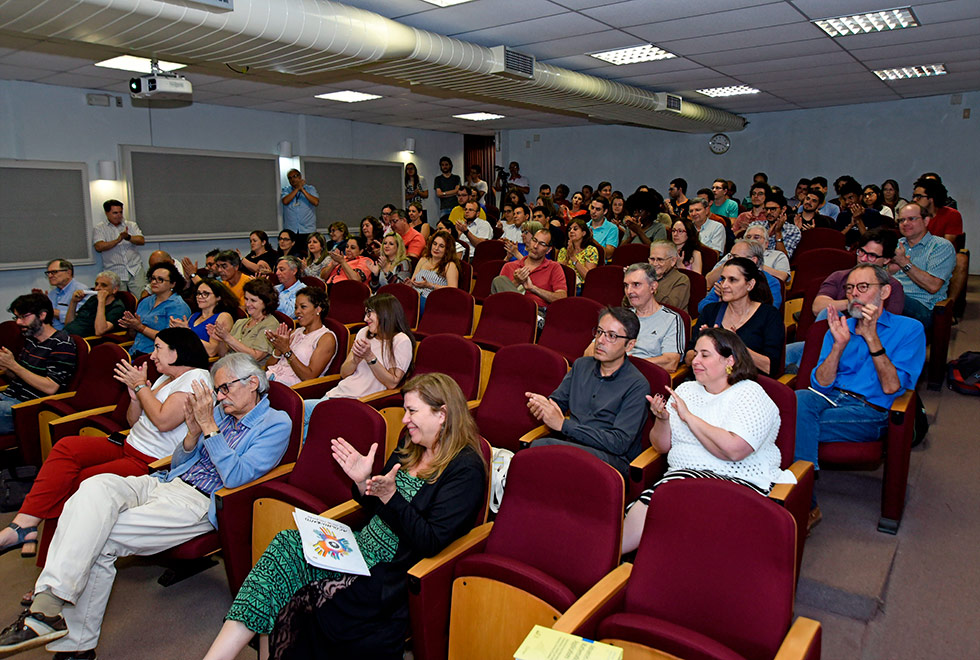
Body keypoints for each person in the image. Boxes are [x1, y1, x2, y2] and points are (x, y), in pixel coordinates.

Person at [0, 354, 289, 658]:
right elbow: (180, 462)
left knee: (100, 536)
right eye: (218, 390)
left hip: (199, 502)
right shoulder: (221, 412)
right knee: (93, 489)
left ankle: (60, 628)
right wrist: (192, 436)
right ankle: (51, 615)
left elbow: (237, 477)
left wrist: (208, 429)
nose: (220, 396)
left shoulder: (275, 423)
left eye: (225, 389)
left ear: (253, 382)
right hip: (165, 482)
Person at [202, 372, 485, 660]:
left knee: (295, 593)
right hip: (358, 546)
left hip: (392, 572)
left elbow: (430, 541)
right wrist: (364, 484)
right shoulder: (410, 445)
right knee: (284, 548)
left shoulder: (466, 469)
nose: (404, 420)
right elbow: (379, 504)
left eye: (412, 411)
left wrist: (390, 497)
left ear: (443, 415)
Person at [0, 327, 208, 559]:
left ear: (176, 352)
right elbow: (133, 420)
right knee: (66, 447)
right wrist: (134, 397)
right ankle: (25, 523)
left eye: (158, 348)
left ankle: (50, 568)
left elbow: (163, 421)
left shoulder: (196, 378)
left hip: (151, 462)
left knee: (75, 486)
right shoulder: (166, 377)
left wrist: (141, 388)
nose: (152, 355)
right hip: (128, 445)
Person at [621, 328, 783, 554]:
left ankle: (610, 559)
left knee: (666, 496)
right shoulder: (686, 390)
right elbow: (661, 446)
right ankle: (611, 558)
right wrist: (662, 420)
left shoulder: (749, 393)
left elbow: (734, 451)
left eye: (705, 355)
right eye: (695, 353)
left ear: (730, 361)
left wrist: (688, 417)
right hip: (683, 477)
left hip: (739, 479)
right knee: (662, 500)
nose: (695, 360)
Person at [794, 265, 926, 526]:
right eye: (850, 288)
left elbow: (892, 387)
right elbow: (819, 384)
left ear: (885, 291)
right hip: (829, 398)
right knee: (798, 399)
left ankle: (800, 503)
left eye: (863, 288)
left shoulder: (910, 329)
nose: (854, 295)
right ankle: (802, 500)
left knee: (789, 423)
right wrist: (838, 347)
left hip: (869, 410)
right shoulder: (839, 328)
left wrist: (872, 337)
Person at [526, 307, 650, 477]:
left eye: (611, 336)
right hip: (572, 444)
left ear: (630, 345)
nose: (600, 340)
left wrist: (564, 425)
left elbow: (619, 442)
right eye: (599, 332)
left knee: (541, 449)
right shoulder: (581, 365)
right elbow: (557, 403)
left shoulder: (637, 385)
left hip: (611, 460)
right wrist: (543, 407)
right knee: (536, 453)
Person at [784, 229, 906, 370]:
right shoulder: (839, 276)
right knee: (785, 352)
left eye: (872, 256)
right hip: (829, 339)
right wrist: (854, 304)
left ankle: (804, 372)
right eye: (861, 252)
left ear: (886, 260)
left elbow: (889, 328)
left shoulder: (891, 287)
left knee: (826, 322)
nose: (863, 259)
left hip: (866, 344)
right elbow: (817, 307)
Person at [302, 294, 415, 428]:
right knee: (298, 414)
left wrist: (370, 357)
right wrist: (355, 359)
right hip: (339, 394)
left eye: (369, 313)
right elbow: (344, 373)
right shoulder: (364, 333)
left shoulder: (401, 341)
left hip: (360, 401)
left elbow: (392, 383)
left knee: (302, 417)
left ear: (384, 313)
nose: (365, 319)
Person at [0, 294, 77, 436]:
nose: (18, 322)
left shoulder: (62, 343)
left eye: (23, 317)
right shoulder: (31, 339)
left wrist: (14, 365)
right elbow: (19, 377)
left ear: (42, 315)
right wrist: (7, 367)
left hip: (28, 408)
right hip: (9, 397)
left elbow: (50, 387)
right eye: (16, 317)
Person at [690, 258, 782, 376]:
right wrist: (703, 345)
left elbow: (770, 367)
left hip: (748, 385)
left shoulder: (769, 315)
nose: (724, 285)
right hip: (709, 382)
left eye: (732, 280)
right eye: (723, 279)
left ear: (750, 284)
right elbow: (688, 358)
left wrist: (735, 345)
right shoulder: (710, 311)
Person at [586, 264, 683, 372]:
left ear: (653, 287)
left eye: (636, 284)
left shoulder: (671, 319)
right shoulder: (620, 316)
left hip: (644, 376)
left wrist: (626, 363)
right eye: (626, 285)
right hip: (609, 372)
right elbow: (589, 352)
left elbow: (671, 362)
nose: (629, 291)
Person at [889, 203, 955, 328]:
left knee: (886, 295)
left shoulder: (941, 246)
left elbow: (933, 286)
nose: (905, 223)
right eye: (901, 220)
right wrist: (889, 271)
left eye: (911, 219)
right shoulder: (896, 244)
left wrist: (904, 263)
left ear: (926, 221)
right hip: (892, 298)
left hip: (923, 307)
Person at [265, 287, 337, 387]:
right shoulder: (296, 332)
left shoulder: (326, 338)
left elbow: (309, 376)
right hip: (271, 379)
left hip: (294, 388)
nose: (297, 312)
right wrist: (278, 348)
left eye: (303, 307)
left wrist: (286, 350)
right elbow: (268, 366)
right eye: (296, 307)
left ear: (318, 309)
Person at [118, 262, 191, 357]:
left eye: (160, 280)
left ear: (173, 284)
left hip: (157, 357)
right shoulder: (145, 301)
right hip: (134, 352)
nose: (154, 282)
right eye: (153, 278)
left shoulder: (178, 306)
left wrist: (140, 327)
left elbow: (170, 339)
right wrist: (132, 327)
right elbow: (134, 336)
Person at [490, 228, 567, 312]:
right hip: (509, 310)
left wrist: (533, 288)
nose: (535, 246)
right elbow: (498, 296)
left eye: (542, 244)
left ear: (548, 250)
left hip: (537, 312)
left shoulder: (554, 267)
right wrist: (517, 281)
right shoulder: (510, 266)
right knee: (499, 281)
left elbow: (561, 298)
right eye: (534, 240)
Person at [700, 239, 782, 314]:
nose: (729, 261)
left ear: (753, 260)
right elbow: (701, 307)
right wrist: (720, 301)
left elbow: (769, 312)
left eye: (735, 257)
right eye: (730, 256)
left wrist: (732, 302)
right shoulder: (725, 279)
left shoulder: (771, 282)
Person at [212, 278, 279, 362]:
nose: (247, 304)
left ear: (266, 302)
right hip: (230, 367)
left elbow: (255, 357)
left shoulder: (271, 324)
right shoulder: (240, 323)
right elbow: (224, 355)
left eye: (253, 300)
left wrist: (228, 338)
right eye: (246, 299)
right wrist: (221, 340)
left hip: (252, 371)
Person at [171, 278, 236, 357]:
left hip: (203, 362)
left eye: (205, 294)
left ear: (218, 297)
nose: (200, 297)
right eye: (198, 293)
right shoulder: (194, 316)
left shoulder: (223, 316)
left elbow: (212, 351)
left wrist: (188, 332)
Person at [93, 199, 146, 295]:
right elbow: (99, 246)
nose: (119, 215)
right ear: (107, 213)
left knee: (142, 298)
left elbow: (141, 240)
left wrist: (128, 237)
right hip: (115, 271)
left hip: (135, 268)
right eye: (115, 213)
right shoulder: (100, 228)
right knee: (120, 300)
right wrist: (118, 240)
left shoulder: (131, 225)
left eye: (120, 212)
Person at [64, 271, 126, 337]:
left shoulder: (117, 307)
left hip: (85, 341)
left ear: (115, 289)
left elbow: (99, 331)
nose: (97, 288)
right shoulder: (93, 299)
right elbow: (68, 323)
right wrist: (73, 302)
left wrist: (101, 302)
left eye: (103, 285)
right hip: (67, 334)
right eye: (96, 284)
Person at [409, 230, 460, 309]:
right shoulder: (423, 260)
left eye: (441, 246)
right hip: (414, 297)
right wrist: (409, 284)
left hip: (432, 301)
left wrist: (429, 285)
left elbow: (453, 289)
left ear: (447, 249)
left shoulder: (450, 265)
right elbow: (413, 281)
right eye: (435, 244)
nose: (436, 248)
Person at [35, 259, 88, 331]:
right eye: (48, 273)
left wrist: (55, 313)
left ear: (68, 273)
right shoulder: (52, 294)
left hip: (71, 335)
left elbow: (79, 318)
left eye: (54, 272)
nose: (50, 276)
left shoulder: (82, 291)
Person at [913, 177, 962, 242]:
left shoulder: (951, 214)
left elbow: (945, 245)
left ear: (931, 198)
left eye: (919, 196)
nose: (914, 200)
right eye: (914, 196)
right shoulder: (914, 215)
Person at [557, 219, 600, 294]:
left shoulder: (590, 250)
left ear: (583, 233)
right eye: (569, 229)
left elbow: (588, 277)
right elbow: (558, 272)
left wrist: (573, 257)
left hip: (580, 287)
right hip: (563, 284)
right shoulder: (563, 250)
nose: (571, 231)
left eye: (575, 229)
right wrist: (568, 256)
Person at [647, 241, 691, 311]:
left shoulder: (681, 279)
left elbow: (669, 309)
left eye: (660, 260)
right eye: (652, 259)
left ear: (673, 261)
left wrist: (649, 288)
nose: (654, 264)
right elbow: (627, 302)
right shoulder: (646, 275)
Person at [281, 169, 319, 239]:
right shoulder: (286, 190)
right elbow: (285, 201)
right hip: (291, 230)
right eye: (290, 178)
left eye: (294, 176)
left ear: (300, 177)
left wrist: (302, 190)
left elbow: (315, 202)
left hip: (308, 230)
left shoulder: (310, 189)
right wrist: (297, 189)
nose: (292, 179)